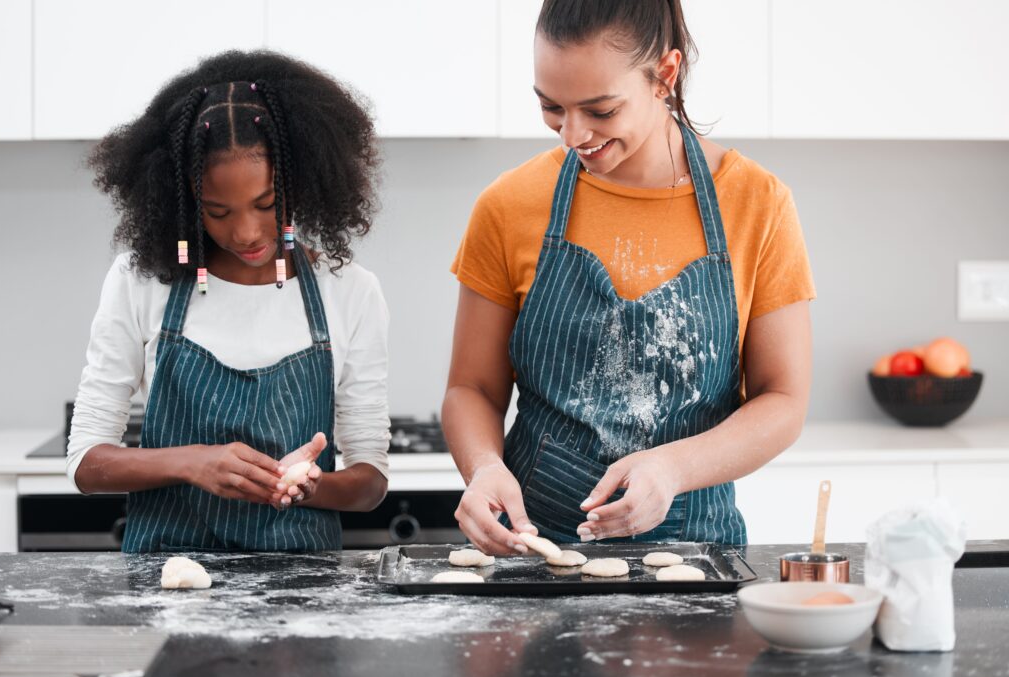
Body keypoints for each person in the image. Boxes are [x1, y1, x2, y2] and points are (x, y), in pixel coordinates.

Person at [444, 0, 815, 554]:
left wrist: (672, 467)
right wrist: (482, 468)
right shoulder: (509, 204)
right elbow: (470, 388)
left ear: (664, 75)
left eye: (600, 110)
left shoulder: (757, 205)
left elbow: (783, 400)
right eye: (551, 107)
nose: (572, 134)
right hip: (531, 554)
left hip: (696, 559)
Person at [67, 50, 390, 552]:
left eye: (265, 204)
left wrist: (308, 486)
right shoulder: (142, 281)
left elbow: (370, 482)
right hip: (165, 588)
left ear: (300, 182)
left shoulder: (348, 291)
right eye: (217, 211)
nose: (245, 232)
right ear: (186, 202)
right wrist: (191, 462)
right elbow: (86, 464)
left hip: (303, 598)